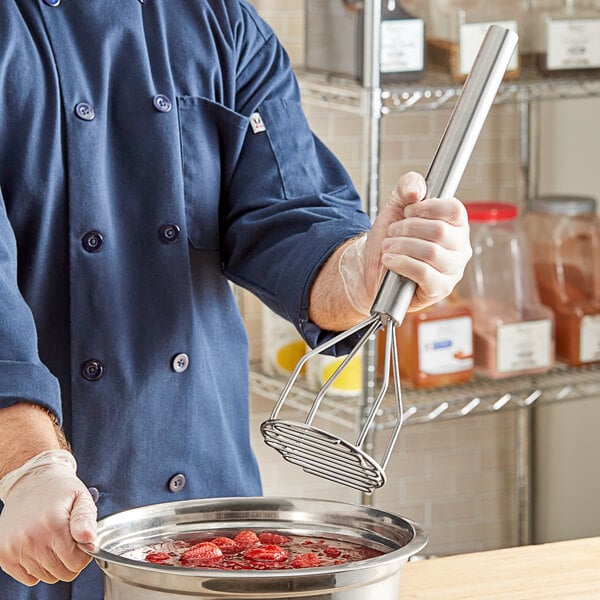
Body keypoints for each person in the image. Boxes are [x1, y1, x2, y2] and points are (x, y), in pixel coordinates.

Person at [0, 1, 472, 599]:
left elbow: (289, 214)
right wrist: (28, 468)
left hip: (203, 518)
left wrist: (361, 268)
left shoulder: (219, 22)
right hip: (15, 514)